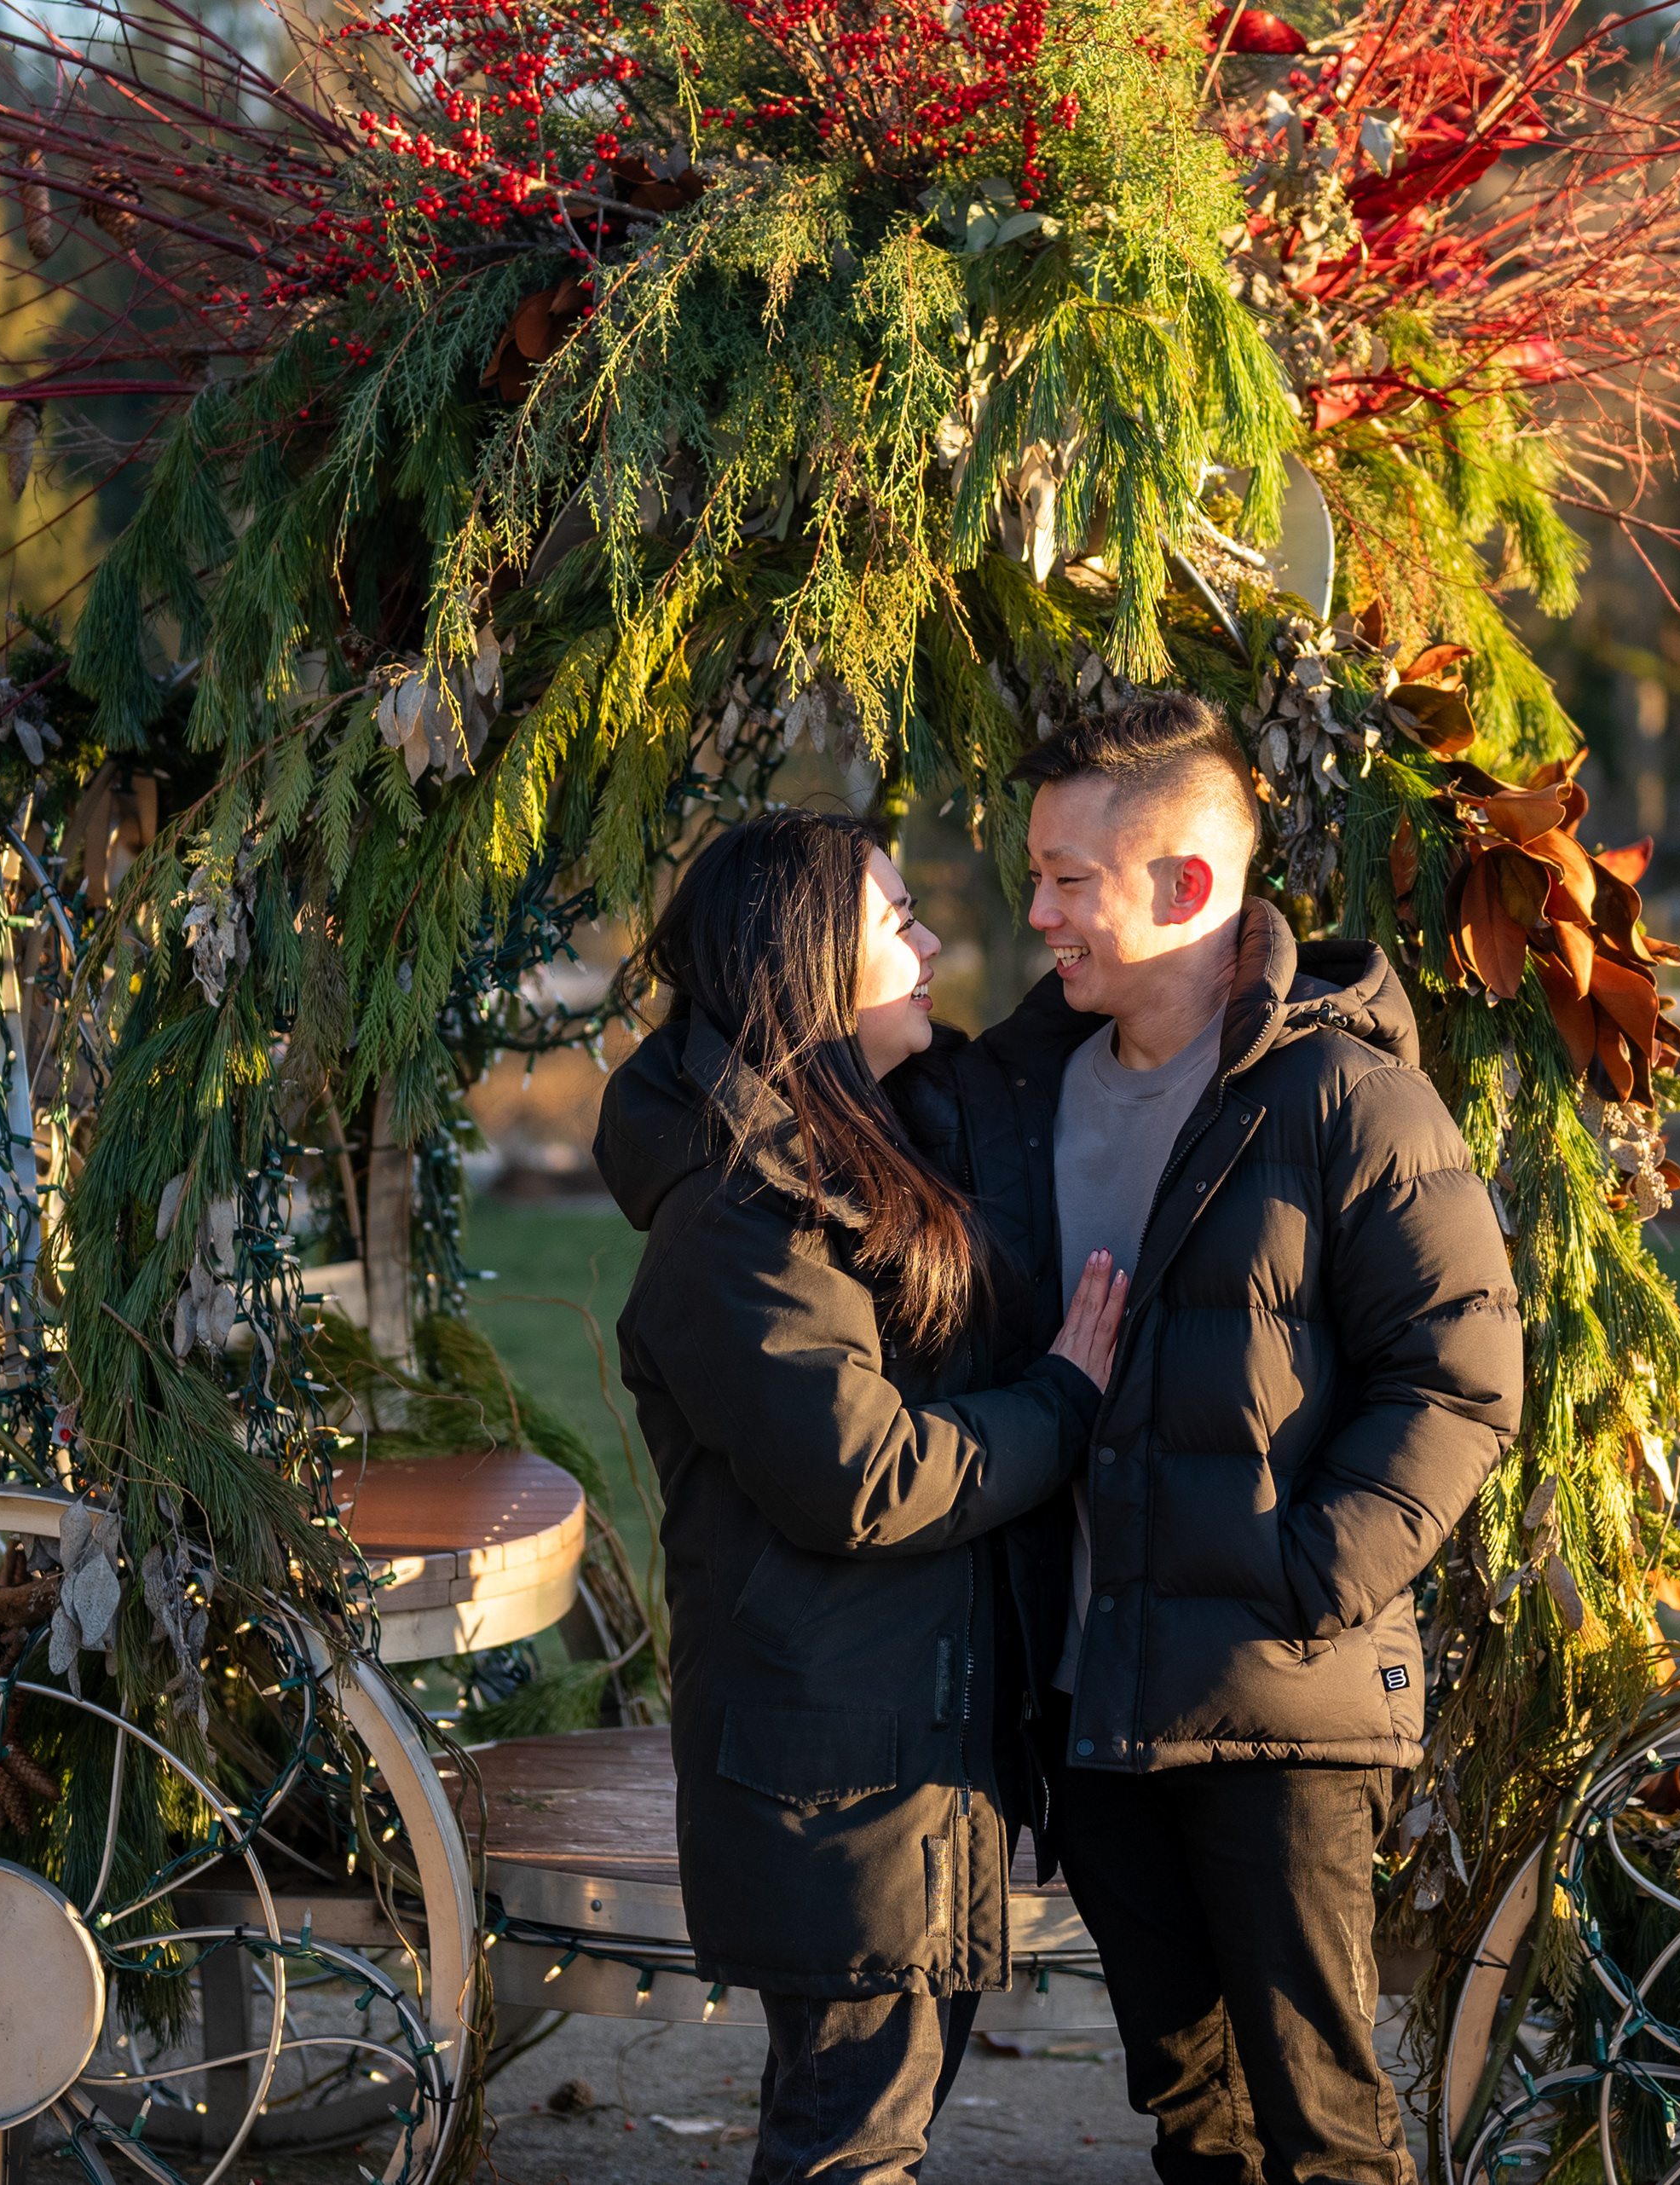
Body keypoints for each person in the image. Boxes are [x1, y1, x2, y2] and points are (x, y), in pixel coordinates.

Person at [898, 693, 1522, 2185]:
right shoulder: (1017, 1095)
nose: (1034, 908)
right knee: (1191, 2112)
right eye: (1034, 872)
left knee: (1324, 2123)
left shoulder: (1343, 1097)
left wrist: (1301, 1576)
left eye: (1067, 878)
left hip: (1277, 1703)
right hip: (1092, 1697)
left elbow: (1461, 1375)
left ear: (1186, 887)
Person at [592, 810, 1126, 2184]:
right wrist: (1063, 1401)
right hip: (836, 1776)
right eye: (899, 919)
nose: (935, 940)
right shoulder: (737, 1221)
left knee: (867, 2126)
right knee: (848, 2144)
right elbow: (863, 1474)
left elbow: (1030, 1050)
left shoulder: (844, 1146)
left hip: (893, 1752)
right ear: (808, 964)